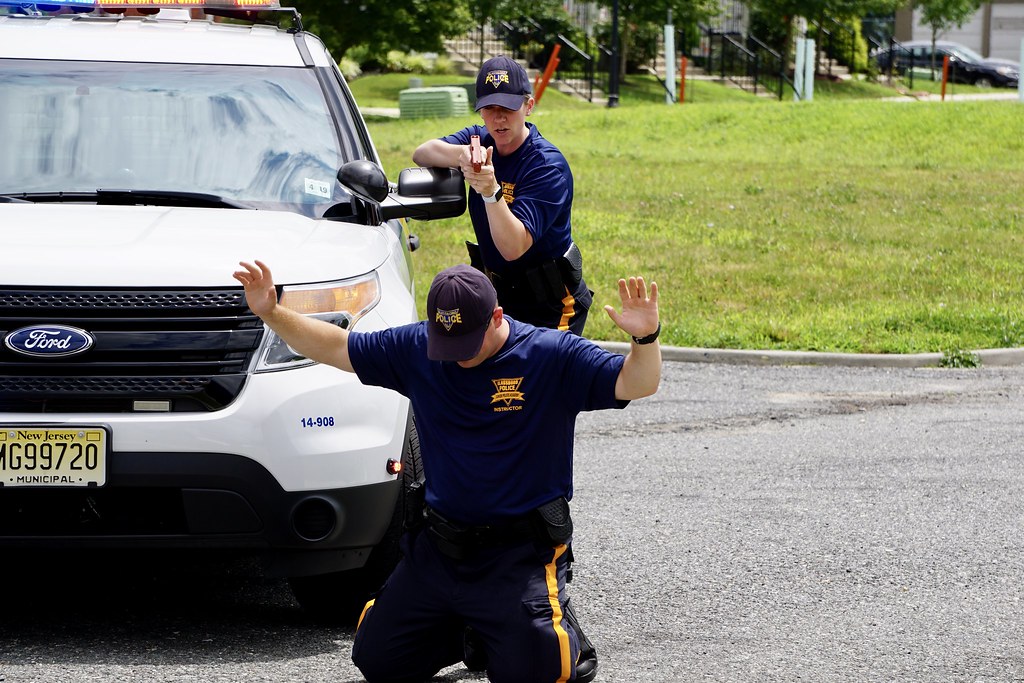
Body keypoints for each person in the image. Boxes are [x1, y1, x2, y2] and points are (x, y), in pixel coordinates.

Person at [233, 259, 661, 683]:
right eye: (447, 344)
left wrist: (645, 338)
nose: (457, 357)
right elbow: (336, 347)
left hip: (518, 555)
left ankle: (550, 622)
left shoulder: (550, 355)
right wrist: (272, 312)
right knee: (379, 661)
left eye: (467, 344)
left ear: (497, 317)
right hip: (441, 549)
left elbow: (635, 382)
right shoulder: (419, 347)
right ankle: (476, 627)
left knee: (537, 672)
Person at [412, 55, 592, 336]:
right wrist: (464, 155)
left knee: (542, 366)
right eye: (490, 108)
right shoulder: (479, 138)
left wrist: (490, 191)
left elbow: (513, 247)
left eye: (508, 107)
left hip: (549, 305)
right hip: (497, 296)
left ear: (528, 106)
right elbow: (422, 153)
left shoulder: (546, 166)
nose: (499, 118)